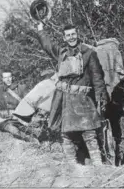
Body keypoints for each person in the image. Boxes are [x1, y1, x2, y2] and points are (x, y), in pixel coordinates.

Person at [30, 21, 109, 166]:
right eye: (68, 35)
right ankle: (72, 167)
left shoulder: (88, 52)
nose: (71, 37)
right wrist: (40, 29)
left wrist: (100, 98)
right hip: (65, 99)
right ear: (64, 38)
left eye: (73, 34)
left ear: (77, 35)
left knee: (89, 133)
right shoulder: (61, 53)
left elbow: (97, 76)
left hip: (83, 100)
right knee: (66, 135)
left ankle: (98, 167)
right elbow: (48, 45)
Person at [0, 62, 38, 142]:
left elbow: (31, 102)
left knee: (31, 130)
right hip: (5, 121)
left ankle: (36, 139)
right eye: (5, 77)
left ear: (12, 77)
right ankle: (31, 141)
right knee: (14, 130)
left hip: (20, 119)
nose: (8, 79)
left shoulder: (21, 88)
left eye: (9, 77)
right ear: (3, 79)